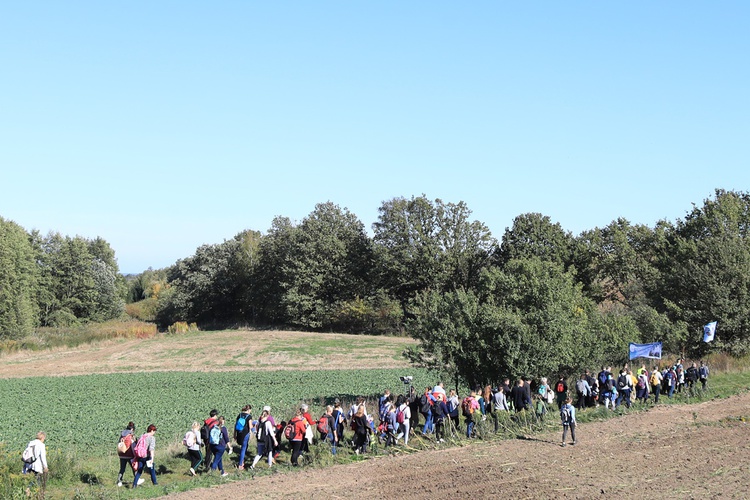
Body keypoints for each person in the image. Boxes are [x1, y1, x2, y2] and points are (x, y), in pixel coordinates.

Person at [116, 422, 136, 487]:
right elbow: (133, 445)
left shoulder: (122, 434)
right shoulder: (131, 435)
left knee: (122, 468)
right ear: (132, 429)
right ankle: (136, 480)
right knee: (134, 468)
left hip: (122, 454)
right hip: (129, 455)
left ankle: (119, 481)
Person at [234, 405, 253, 470]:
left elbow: (235, 425)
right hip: (245, 433)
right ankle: (240, 464)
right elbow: (250, 427)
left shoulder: (239, 415)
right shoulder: (249, 416)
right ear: (249, 410)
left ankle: (242, 460)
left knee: (244, 446)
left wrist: (234, 434)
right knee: (243, 448)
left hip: (239, 432)